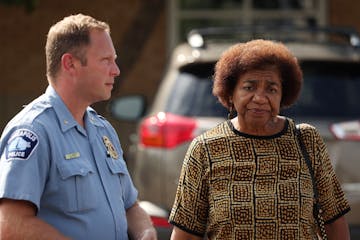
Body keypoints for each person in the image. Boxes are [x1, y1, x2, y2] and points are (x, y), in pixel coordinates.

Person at [168, 39, 351, 239]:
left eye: (271, 89)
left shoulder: (306, 141)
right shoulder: (206, 149)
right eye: (249, 87)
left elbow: (334, 220)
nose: (260, 98)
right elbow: (185, 233)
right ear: (230, 93)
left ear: (283, 96)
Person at [0, 14, 157, 240]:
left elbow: (130, 205)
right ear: (70, 64)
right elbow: (11, 225)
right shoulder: (34, 131)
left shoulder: (102, 129)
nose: (116, 70)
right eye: (105, 60)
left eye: (114, 60)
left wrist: (146, 232)